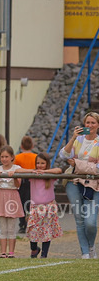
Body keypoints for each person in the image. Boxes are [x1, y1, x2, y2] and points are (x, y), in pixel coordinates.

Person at [58, 111, 99, 258]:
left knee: (91, 222)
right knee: (79, 219)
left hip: (93, 185)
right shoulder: (78, 139)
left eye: (93, 122)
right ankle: (85, 252)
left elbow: (97, 169)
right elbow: (63, 155)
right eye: (87, 122)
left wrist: (77, 164)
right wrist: (73, 137)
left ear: (98, 125)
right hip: (73, 182)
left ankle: (91, 245)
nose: (90, 125)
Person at [0, 145, 24, 257]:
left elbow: (18, 185)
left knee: (11, 228)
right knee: (3, 228)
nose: (4, 159)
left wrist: (14, 177)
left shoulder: (16, 168)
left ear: (12, 157)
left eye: (6, 156)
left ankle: (11, 252)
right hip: (1, 196)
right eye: (2, 157)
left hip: (12, 196)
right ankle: (3, 252)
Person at [27, 153, 62, 258]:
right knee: (33, 230)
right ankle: (34, 249)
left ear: (47, 164)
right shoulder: (33, 175)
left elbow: (59, 170)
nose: (40, 165)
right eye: (38, 163)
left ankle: (44, 254)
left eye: (42, 163)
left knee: (46, 231)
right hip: (35, 207)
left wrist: (45, 172)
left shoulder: (50, 176)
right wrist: (33, 171)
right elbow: (19, 170)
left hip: (48, 206)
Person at [13, 136, 37, 234]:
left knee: (22, 203)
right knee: (32, 202)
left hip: (22, 182)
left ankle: (22, 224)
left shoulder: (17, 157)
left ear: (21, 146)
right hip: (34, 181)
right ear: (32, 146)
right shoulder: (36, 157)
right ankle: (31, 223)